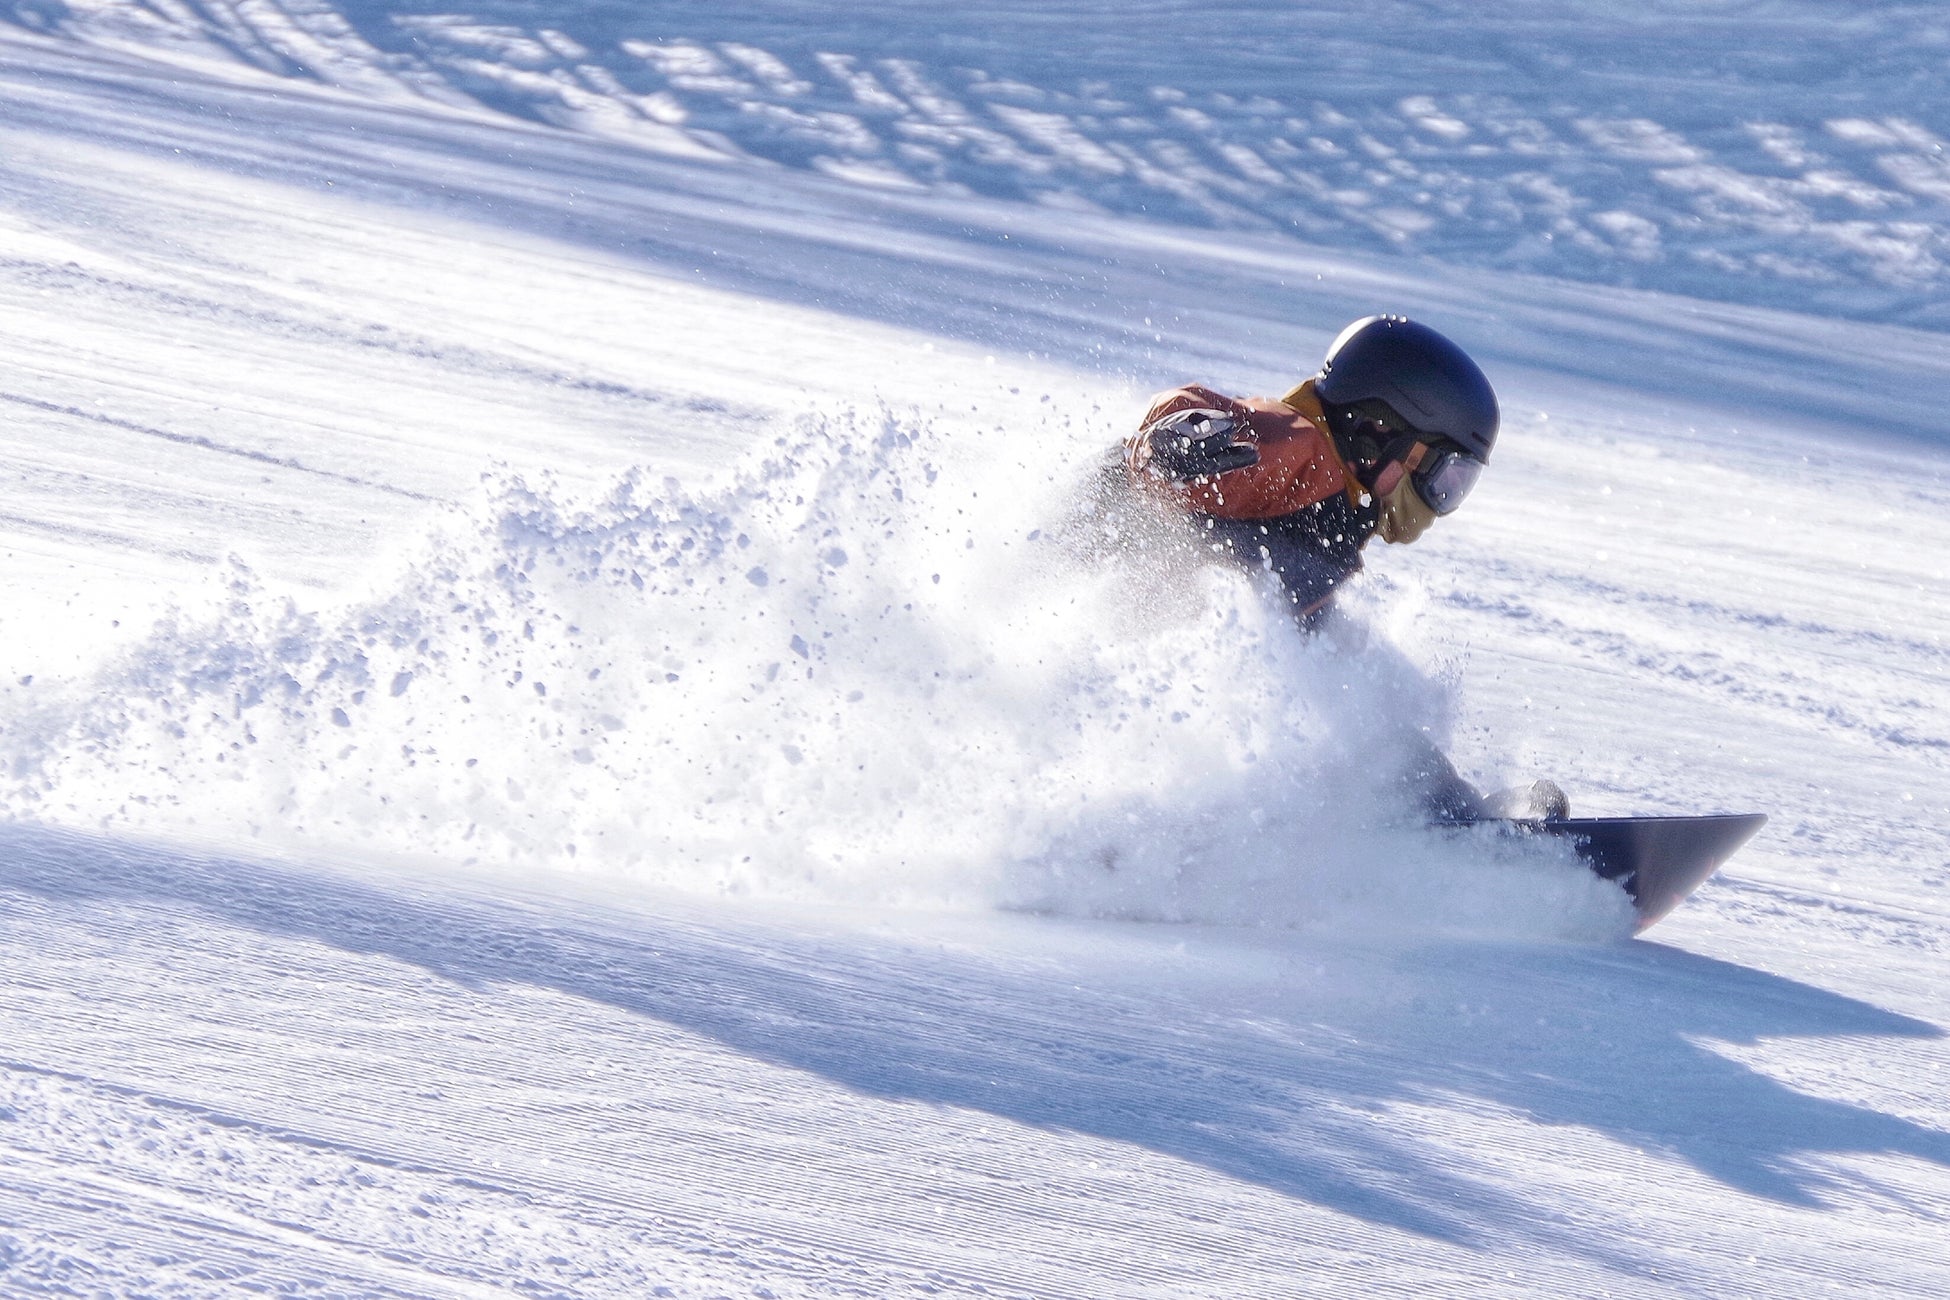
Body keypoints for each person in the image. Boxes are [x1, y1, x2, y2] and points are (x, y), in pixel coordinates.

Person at [1117, 314, 1565, 822]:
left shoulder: (1336, 502)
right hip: (1110, 631)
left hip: (1160, 667)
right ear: (1381, 433)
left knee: (1354, 680)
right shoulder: (1304, 451)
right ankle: (1445, 820)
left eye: (1459, 485)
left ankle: (1439, 812)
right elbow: (1225, 425)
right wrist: (1177, 443)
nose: (1438, 504)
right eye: (1442, 476)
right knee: (1344, 687)